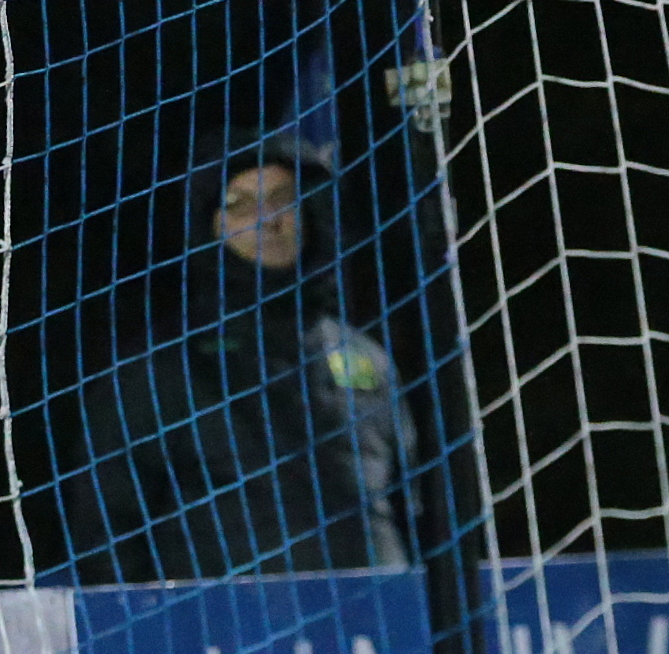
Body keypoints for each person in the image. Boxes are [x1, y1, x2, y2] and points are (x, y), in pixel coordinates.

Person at [54, 132, 412, 584]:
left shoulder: (364, 358)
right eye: (240, 204)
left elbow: (417, 505)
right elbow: (107, 532)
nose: (267, 219)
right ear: (211, 226)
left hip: (383, 632)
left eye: (283, 199)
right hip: (230, 639)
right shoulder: (159, 367)